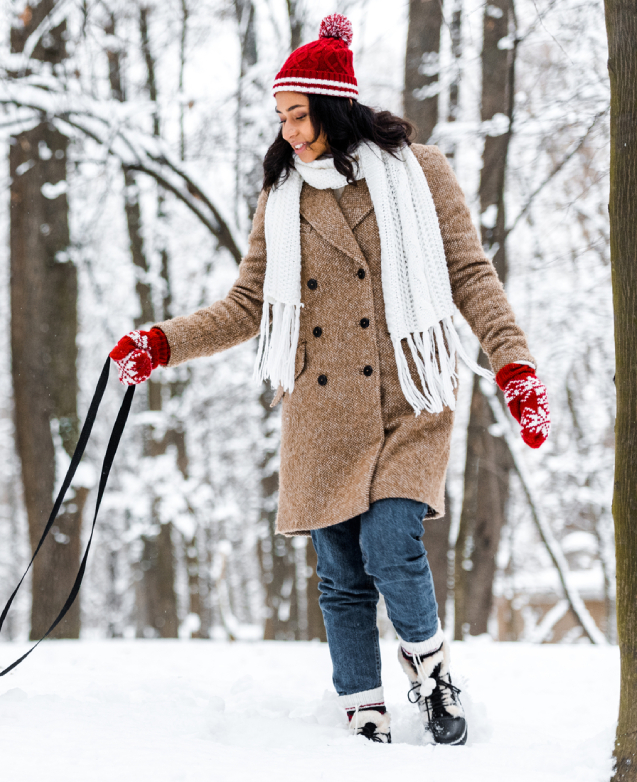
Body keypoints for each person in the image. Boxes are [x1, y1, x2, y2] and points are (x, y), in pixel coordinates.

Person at [108, 14, 550, 745]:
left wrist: (514, 363)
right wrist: (161, 344)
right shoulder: (283, 197)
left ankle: (432, 675)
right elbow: (247, 305)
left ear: (333, 106)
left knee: (390, 545)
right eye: (279, 116)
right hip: (319, 408)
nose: (287, 131)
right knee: (341, 573)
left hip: (409, 393)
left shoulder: (421, 173)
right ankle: (362, 709)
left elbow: (470, 274)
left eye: (297, 114)